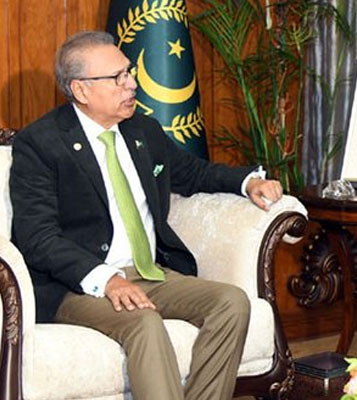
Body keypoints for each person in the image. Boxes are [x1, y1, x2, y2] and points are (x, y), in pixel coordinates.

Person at [9, 31, 283, 400]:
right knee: (144, 322)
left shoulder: (142, 129)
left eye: (129, 72)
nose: (132, 84)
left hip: (149, 272)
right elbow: (38, 237)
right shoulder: (41, 144)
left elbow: (193, 173)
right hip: (78, 285)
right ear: (81, 89)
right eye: (117, 77)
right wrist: (106, 279)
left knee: (231, 302)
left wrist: (248, 182)